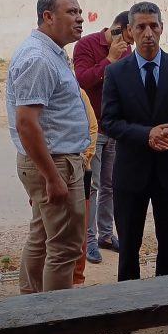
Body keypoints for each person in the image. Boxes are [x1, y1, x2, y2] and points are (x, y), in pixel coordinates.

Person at [6, 0, 98, 334]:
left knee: (43, 237)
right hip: (54, 164)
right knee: (64, 247)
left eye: (80, 11)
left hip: (56, 162)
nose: (79, 18)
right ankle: (57, 333)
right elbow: (27, 123)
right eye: (71, 11)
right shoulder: (39, 59)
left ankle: (33, 315)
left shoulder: (51, 53)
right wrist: (52, 177)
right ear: (48, 16)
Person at [101, 2, 168, 331]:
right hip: (131, 174)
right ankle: (129, 310)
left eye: (153, 26)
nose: (148, 33)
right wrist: (146, 135)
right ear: (130, 31)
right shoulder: (116, 73)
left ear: (161, 28)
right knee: (129, 243)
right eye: (141, 27)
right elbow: (110, 121)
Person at [73, 12, 133, 264]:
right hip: (93, 129)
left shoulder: (127, 51)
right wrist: (110, 59)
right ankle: (88, 241)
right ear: (121, 28)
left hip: (114, 129)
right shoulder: (86, 45)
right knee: (93, 186)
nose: (131, 42)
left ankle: (106, 235)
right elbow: (82, 81)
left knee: (110, 184)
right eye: (131, 34)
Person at [72, 89, 98, 286]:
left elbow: (92, 127)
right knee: (47, 232)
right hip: (48, 171)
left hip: (81, 169)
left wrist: (84, 157)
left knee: (79, 229)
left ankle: (77, 278)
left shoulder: (78, 93)